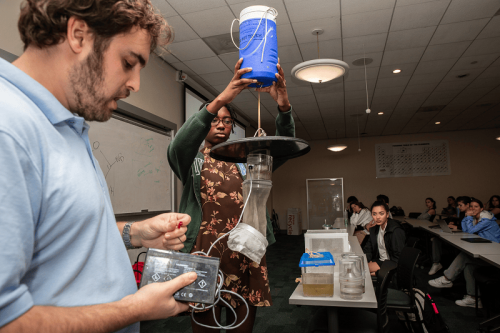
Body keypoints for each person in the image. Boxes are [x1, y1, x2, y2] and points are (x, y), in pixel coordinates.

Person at [0, 1, 196, 332]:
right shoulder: (9, 128)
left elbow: (63, 235)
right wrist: (134, 308)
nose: (135, 84)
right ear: (78, 35)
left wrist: (135, 233)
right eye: (129, 62)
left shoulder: (65, 124)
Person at [167, 58, 293, 332]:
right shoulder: (192, 162)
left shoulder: (247, 160)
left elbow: (284, 149)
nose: (221, 124)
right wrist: (223, 97)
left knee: (242, 324)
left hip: (244, 251)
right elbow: (178, 146)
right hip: (204, 252)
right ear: (203, 124)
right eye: (214, 120)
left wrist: (283, 105)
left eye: (227, 120)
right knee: (205, 326)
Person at [428, 198, 500, 308]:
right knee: (469, 266)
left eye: (476, 207)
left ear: (482, 209)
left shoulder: (487, 220)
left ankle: (447, 278)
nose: (472, 209)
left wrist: (468, 216)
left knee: (465, 256)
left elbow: (470, 231)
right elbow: (466, 230)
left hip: (494, 256)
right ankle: (474, 299)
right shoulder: (475, 219)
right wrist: (468, 218)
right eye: (471, 206)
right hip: (485, 250)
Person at [429, 196, 470, 275]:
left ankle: (454, 270)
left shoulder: (473, 215)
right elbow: (461, 223)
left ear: (467, 205)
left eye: (460, 205)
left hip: (466, 237)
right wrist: (453, 223)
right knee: (436, 239)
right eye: (458, 205)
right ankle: (436, 263)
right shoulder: (462, 213)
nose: (458, 207)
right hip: (459, 234)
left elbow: (469, 228)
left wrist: (457, 227)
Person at [363, 201, 406, 276]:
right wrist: (363, 261)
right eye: (374, 214)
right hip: (379, 260)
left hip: (391, 263)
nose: (378, 217)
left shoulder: (395, 230)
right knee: (358, 268)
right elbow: (368, 250)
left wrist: (378, 273)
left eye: (381, 213)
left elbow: (399, 258)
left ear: (387, 214)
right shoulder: (374, 230)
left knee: (360, 272)